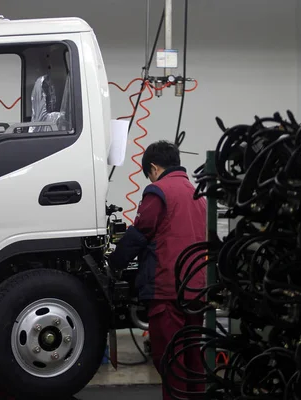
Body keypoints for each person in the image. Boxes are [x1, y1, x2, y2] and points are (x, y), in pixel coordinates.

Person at [108, 140, 207, 399]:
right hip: (196, 289)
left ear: (153, 168)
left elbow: (141, 232)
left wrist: (114, 262)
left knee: (170, 360)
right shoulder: (197, 195)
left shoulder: (158, 191)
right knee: (193, 359)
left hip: (167, 291)